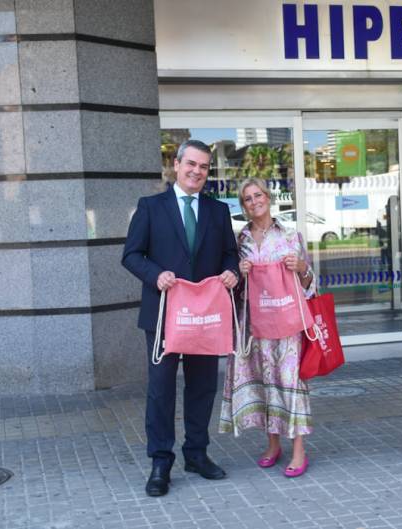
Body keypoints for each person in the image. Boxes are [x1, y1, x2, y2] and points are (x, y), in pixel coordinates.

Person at [122, 139, 239, 497]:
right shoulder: (150, 207)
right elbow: (131, 255)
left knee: (203, 386)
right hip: (163, 317)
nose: (197, 172)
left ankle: (196, 454)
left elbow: (229, 256)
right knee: (161, 389)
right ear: (176, 165)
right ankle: (160, 461)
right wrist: (156, 275)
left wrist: (232, 272)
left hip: (204, 317)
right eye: (191, 164)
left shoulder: (218, 212)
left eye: (204, 167)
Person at [219, 177, 315, 478]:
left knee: (290, 382)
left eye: (258, 195)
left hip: (286, 323)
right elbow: (234, 288)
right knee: (264, 381)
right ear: (243, 205)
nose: (254, 201)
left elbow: (309, 283)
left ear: (268, 197)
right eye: (247, 198)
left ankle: (298, 449)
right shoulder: (241, 239)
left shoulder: (289, 233)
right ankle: (273, 444)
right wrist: (240, 273)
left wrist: (301, 268)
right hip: (255, 323)